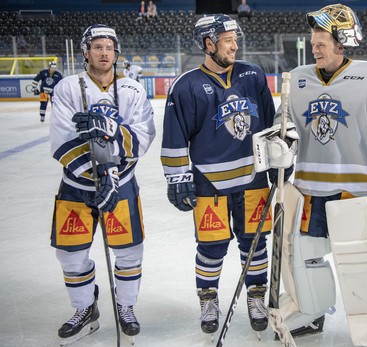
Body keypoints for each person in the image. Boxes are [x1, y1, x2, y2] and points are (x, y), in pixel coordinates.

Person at [274, 3, 367, 341]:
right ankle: (309, 310)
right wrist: (280, 143)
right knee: (303, 258)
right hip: (308, 191)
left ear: (342, 42)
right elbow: (283, 127)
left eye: (322, 42)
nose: (314, 47)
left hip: (358, 194)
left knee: (362, 265)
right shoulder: (299, 78)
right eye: (313, 41)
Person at [161, 14, 277, 335]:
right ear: (208, 44)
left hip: (254, 180)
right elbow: (174, 137)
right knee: (211, 246)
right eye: (227, 40)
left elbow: (269, 124)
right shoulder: (186, 86)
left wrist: (278, 161)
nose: (234, 46)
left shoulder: (252, 75)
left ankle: (255, 296)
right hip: (208, 184)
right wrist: (177, 178)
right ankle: (208, 299)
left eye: (235, 39)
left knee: (254, 243)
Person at [49, 24, 155, 345]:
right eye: (97, 47)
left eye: (109, 47)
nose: (104, 52)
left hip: (121, 183)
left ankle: (126, 306)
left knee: (129, 250)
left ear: (116, 52)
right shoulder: (68, 87)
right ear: (86, 52)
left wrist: (112, 171)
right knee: (71, 253)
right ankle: (85, 308)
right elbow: (62, 138)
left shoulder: (133, 90)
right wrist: (97, 174)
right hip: (76, 185)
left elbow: (144, 135)